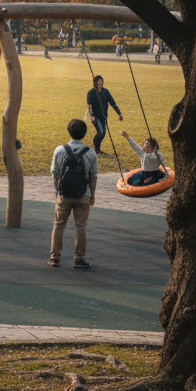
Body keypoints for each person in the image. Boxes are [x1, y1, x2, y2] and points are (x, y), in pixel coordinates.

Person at [50, 119, 99, 268]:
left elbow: (55, 173)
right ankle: (79, 258)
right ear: (84, 134)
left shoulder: (60, 150)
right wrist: (92, 194)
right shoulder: (90, 153)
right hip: (83, 194)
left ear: (68, 131)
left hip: (64, 194)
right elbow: (93, 176)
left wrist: (57, 191)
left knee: (58, 225)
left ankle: (55, 257)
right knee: (81, 227)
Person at [86, 75, 123, 154]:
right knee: (100, 132)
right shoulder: (91, 93)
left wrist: (119, 113)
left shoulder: (105, 92)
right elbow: (89, 106)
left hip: (103, 116)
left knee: (103, 133)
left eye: (101, 81)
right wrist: (91, 116)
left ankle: (97, 149)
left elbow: (112, 102)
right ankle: (95, 147)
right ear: (94, 83)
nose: (99, 83)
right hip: (95, 116)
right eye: (98, 81)